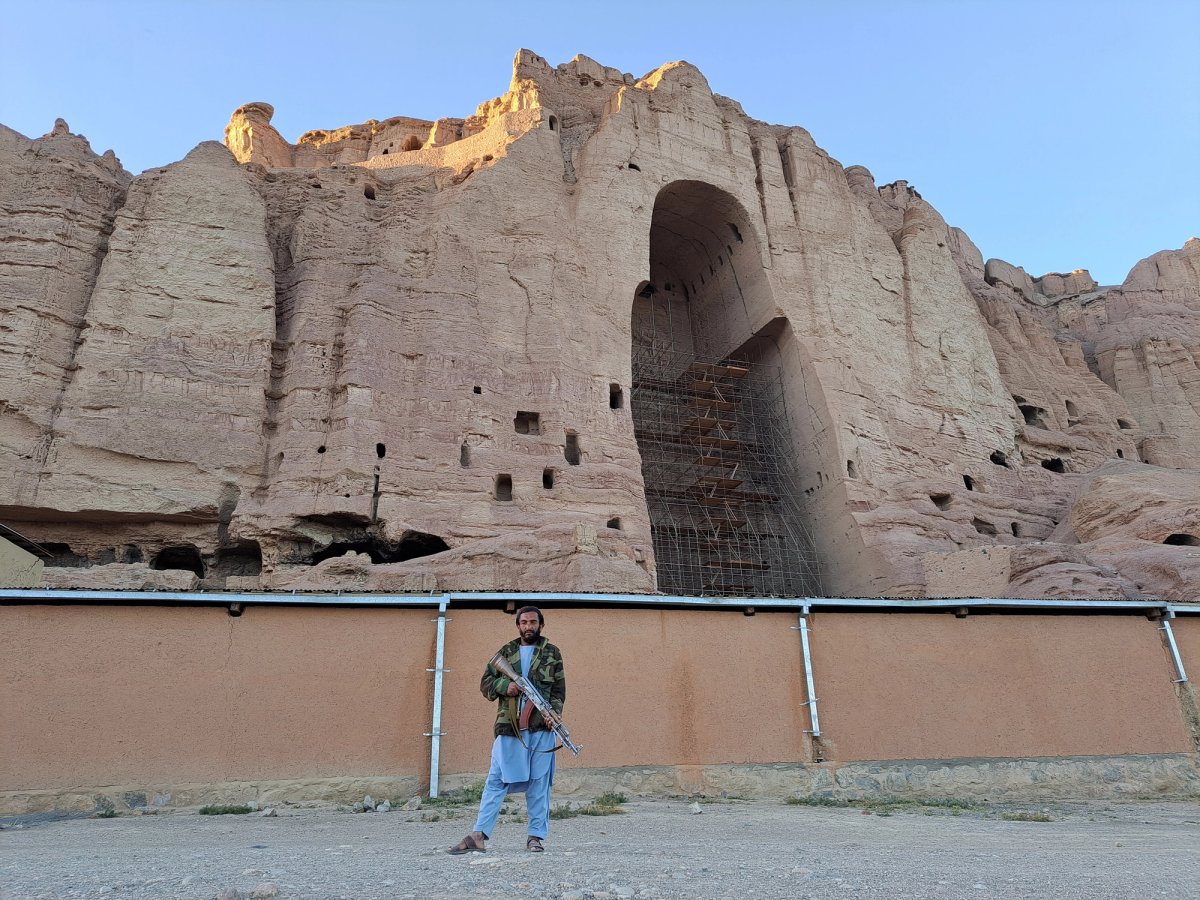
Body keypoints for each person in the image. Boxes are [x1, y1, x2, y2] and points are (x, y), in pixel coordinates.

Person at [448, 605, 567, 854]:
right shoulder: (506, 652)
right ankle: (478, 834)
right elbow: (486, 683)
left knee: (539, 783)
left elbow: (558, 691)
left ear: (541, 625)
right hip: (510, 727)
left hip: (541, 729)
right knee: (496, 780)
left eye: (533, 622)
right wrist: (506, 686)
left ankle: (535, 837)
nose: (528, 626)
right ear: (518, 626)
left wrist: (553, 714)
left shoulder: (552, 654)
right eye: (523, 622)